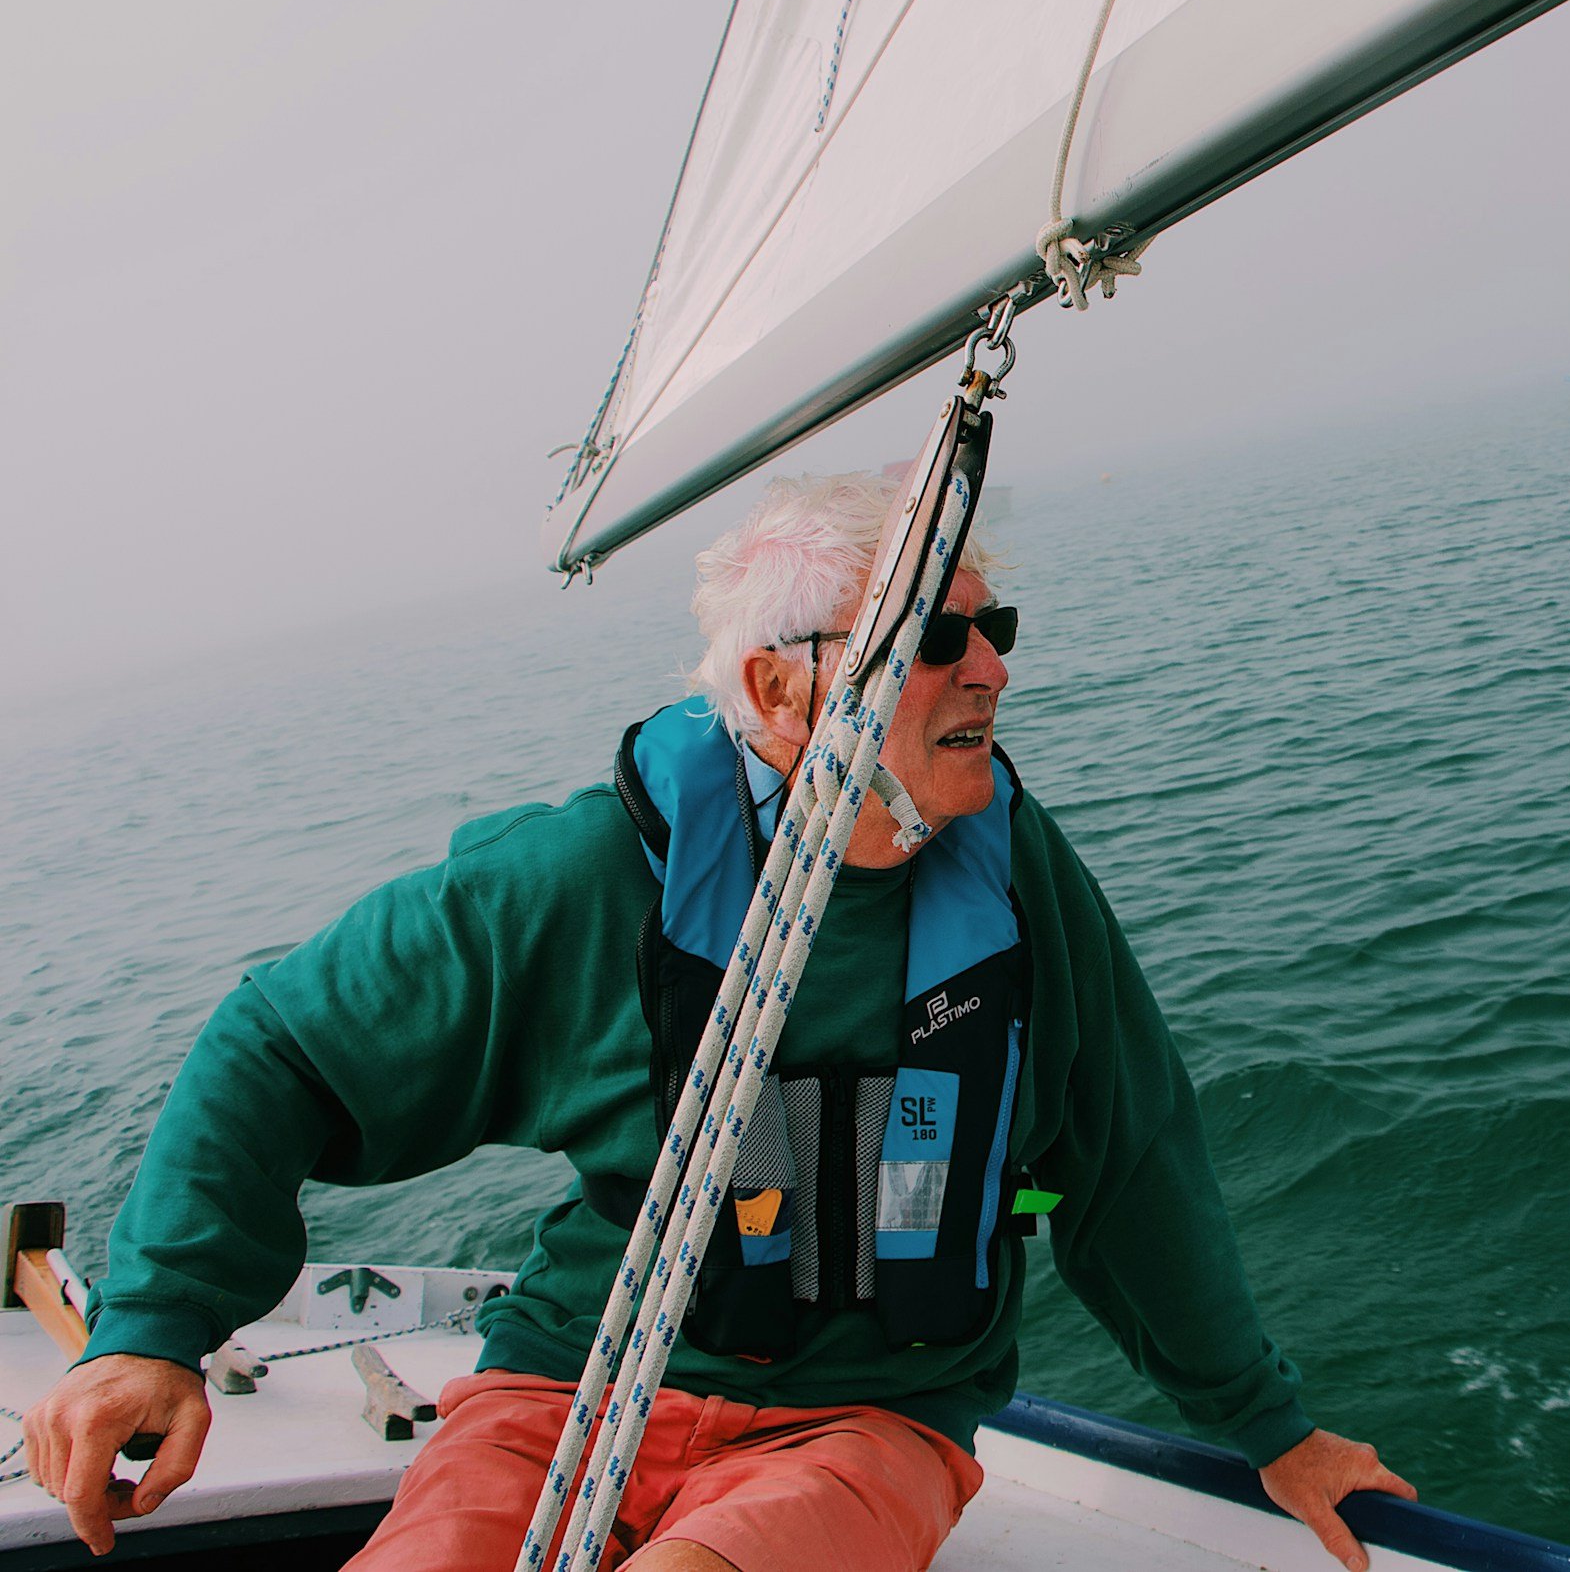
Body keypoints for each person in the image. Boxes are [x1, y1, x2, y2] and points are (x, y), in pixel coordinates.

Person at [23, 473, 1413, 1571]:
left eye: (998, 630)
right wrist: (153, 1325)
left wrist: (1267, 1429)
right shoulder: (586, 882)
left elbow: (1132, 1167)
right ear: (773, 689)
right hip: (565, 1392)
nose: (989, 668)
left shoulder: (1023, 894)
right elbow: (283, 1047)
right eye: (936, 639)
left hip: (865, 1427)